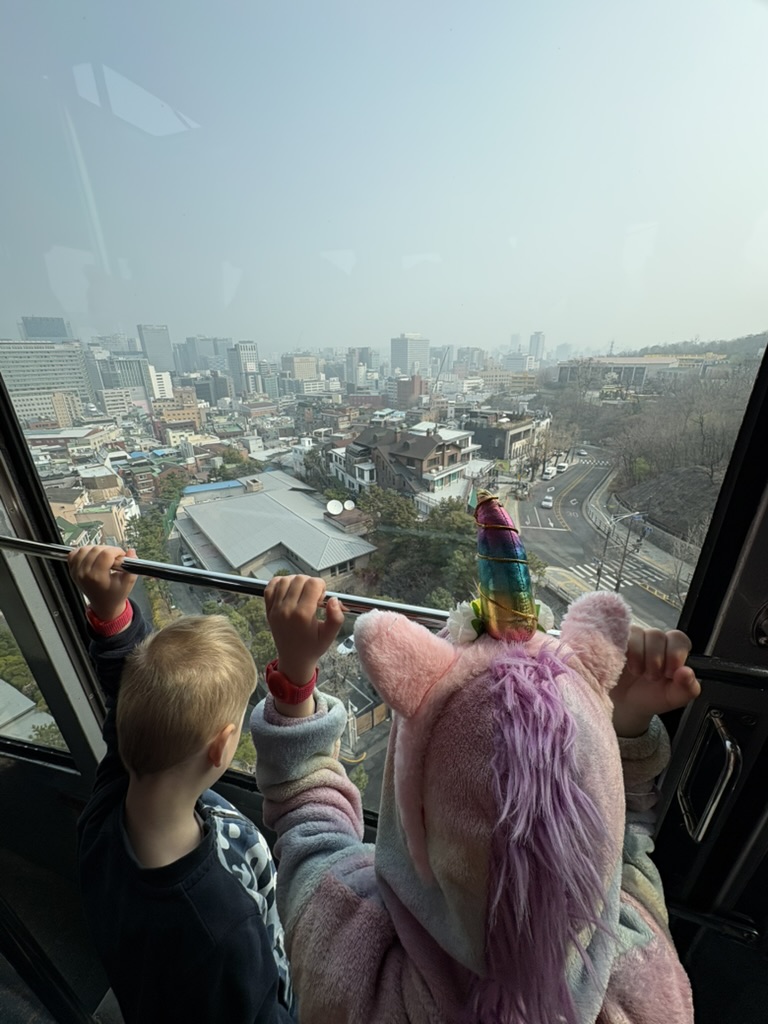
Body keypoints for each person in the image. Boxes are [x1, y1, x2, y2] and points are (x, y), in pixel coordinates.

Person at [250, 495, 697, 1023]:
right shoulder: (644, 979)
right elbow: (622, 856)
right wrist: (618, 728)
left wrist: (295, 680)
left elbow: (308, 827)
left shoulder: (356, 964)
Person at [68, 545, 293, 1024]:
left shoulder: (111, 800)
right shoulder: (218, 922)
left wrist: (111, 616)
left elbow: (127, 687)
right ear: (222, 746)